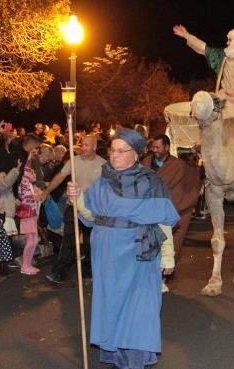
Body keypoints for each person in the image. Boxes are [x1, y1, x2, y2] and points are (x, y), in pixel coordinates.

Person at [66, 127, 179, 369]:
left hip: (138, 253)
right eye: (112, 150)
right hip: (106, 254)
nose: (114, 155)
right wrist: (77, 199)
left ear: (136, 154)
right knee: (111, 305)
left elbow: (163, 220)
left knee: (138, 307)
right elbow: (91, 215)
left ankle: (135, 359)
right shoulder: (103, 180)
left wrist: (168, 257)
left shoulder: (151, 181)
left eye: (120, 151)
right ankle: (117, 357)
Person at [173, 24, 234, 146]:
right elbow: (204, 48)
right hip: (224, 95)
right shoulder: (223, 56)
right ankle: (201, 138)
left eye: (229, 40)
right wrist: (186, 35)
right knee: (207, 101)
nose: (226, 43)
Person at [40, 134, 106, 285]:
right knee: (68, 240)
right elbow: (60, 176)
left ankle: (89, 272)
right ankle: (59, 273)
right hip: (73, 207)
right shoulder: (74, 161)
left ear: (94, 147)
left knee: (91, 243)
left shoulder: (103, 165)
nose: (83, 147)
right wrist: (46, 191)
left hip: (92, 211)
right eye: (82, 144)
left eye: (86, 145)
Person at [141, 134, 201, 282]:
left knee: (170, 246)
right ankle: (149, 277)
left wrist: (183, 205)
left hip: (171, 211)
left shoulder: (179, 165)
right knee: (148, 246)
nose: (154, 150)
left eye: (158, 147)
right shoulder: (145, 162)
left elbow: (192, 185)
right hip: (149, 212)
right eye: (152, 147)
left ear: (167, 148)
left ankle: (162, 277)